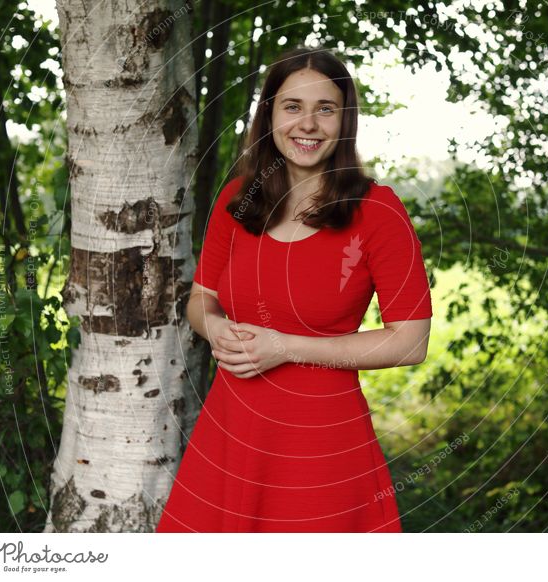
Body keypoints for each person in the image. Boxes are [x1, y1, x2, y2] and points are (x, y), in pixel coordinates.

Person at [155, 46, 432, 533]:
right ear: (269, 115)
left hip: (320, 446)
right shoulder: (236, 198)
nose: (308, 124)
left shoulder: (378, 212)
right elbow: (201, 299)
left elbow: (411, 341)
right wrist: (214, 325)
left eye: (325, 109)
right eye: (292, 107)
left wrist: (286, 347)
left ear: (345, 122)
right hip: (231, 433)